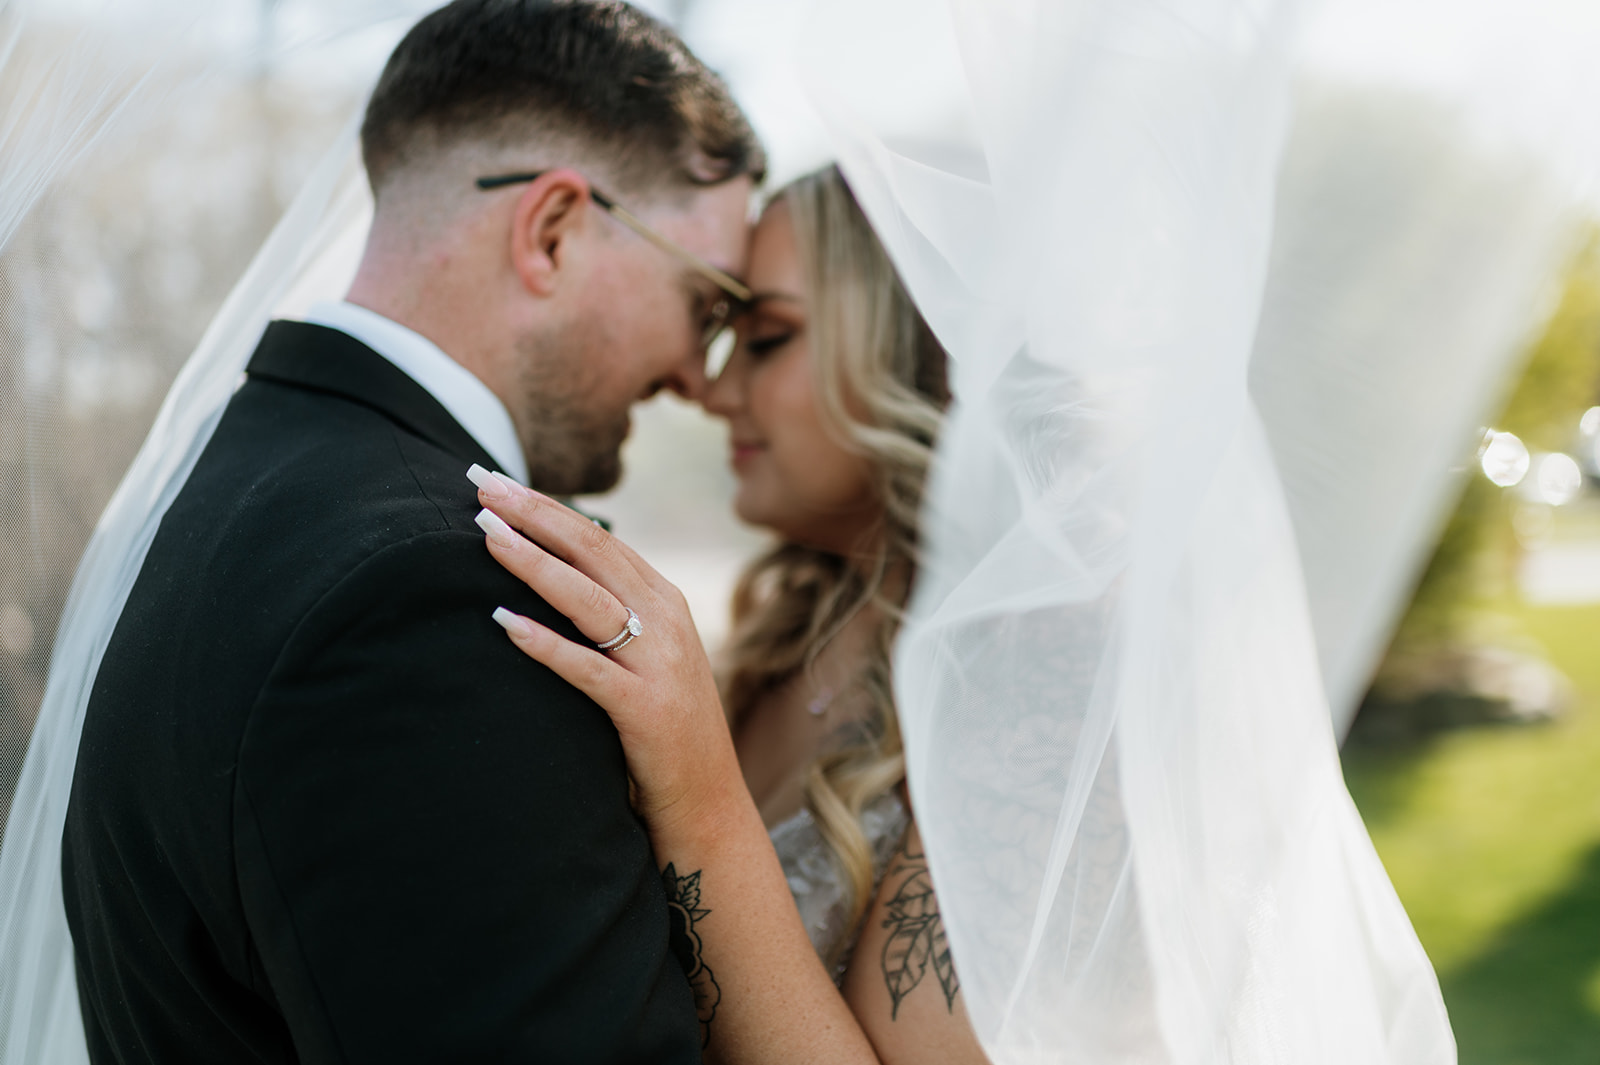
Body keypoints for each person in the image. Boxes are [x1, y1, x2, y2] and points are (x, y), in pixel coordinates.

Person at [58, 1, 763, 1061]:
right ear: (553, 232)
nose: (697, 379)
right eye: (707, 305)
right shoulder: (432, 593)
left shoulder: (235, 479)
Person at [476, 164, 991, 1063]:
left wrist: (699, 794)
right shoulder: (785, 638)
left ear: (928, 358)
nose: (712, 392)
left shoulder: (1023, 702)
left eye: (769, 337)